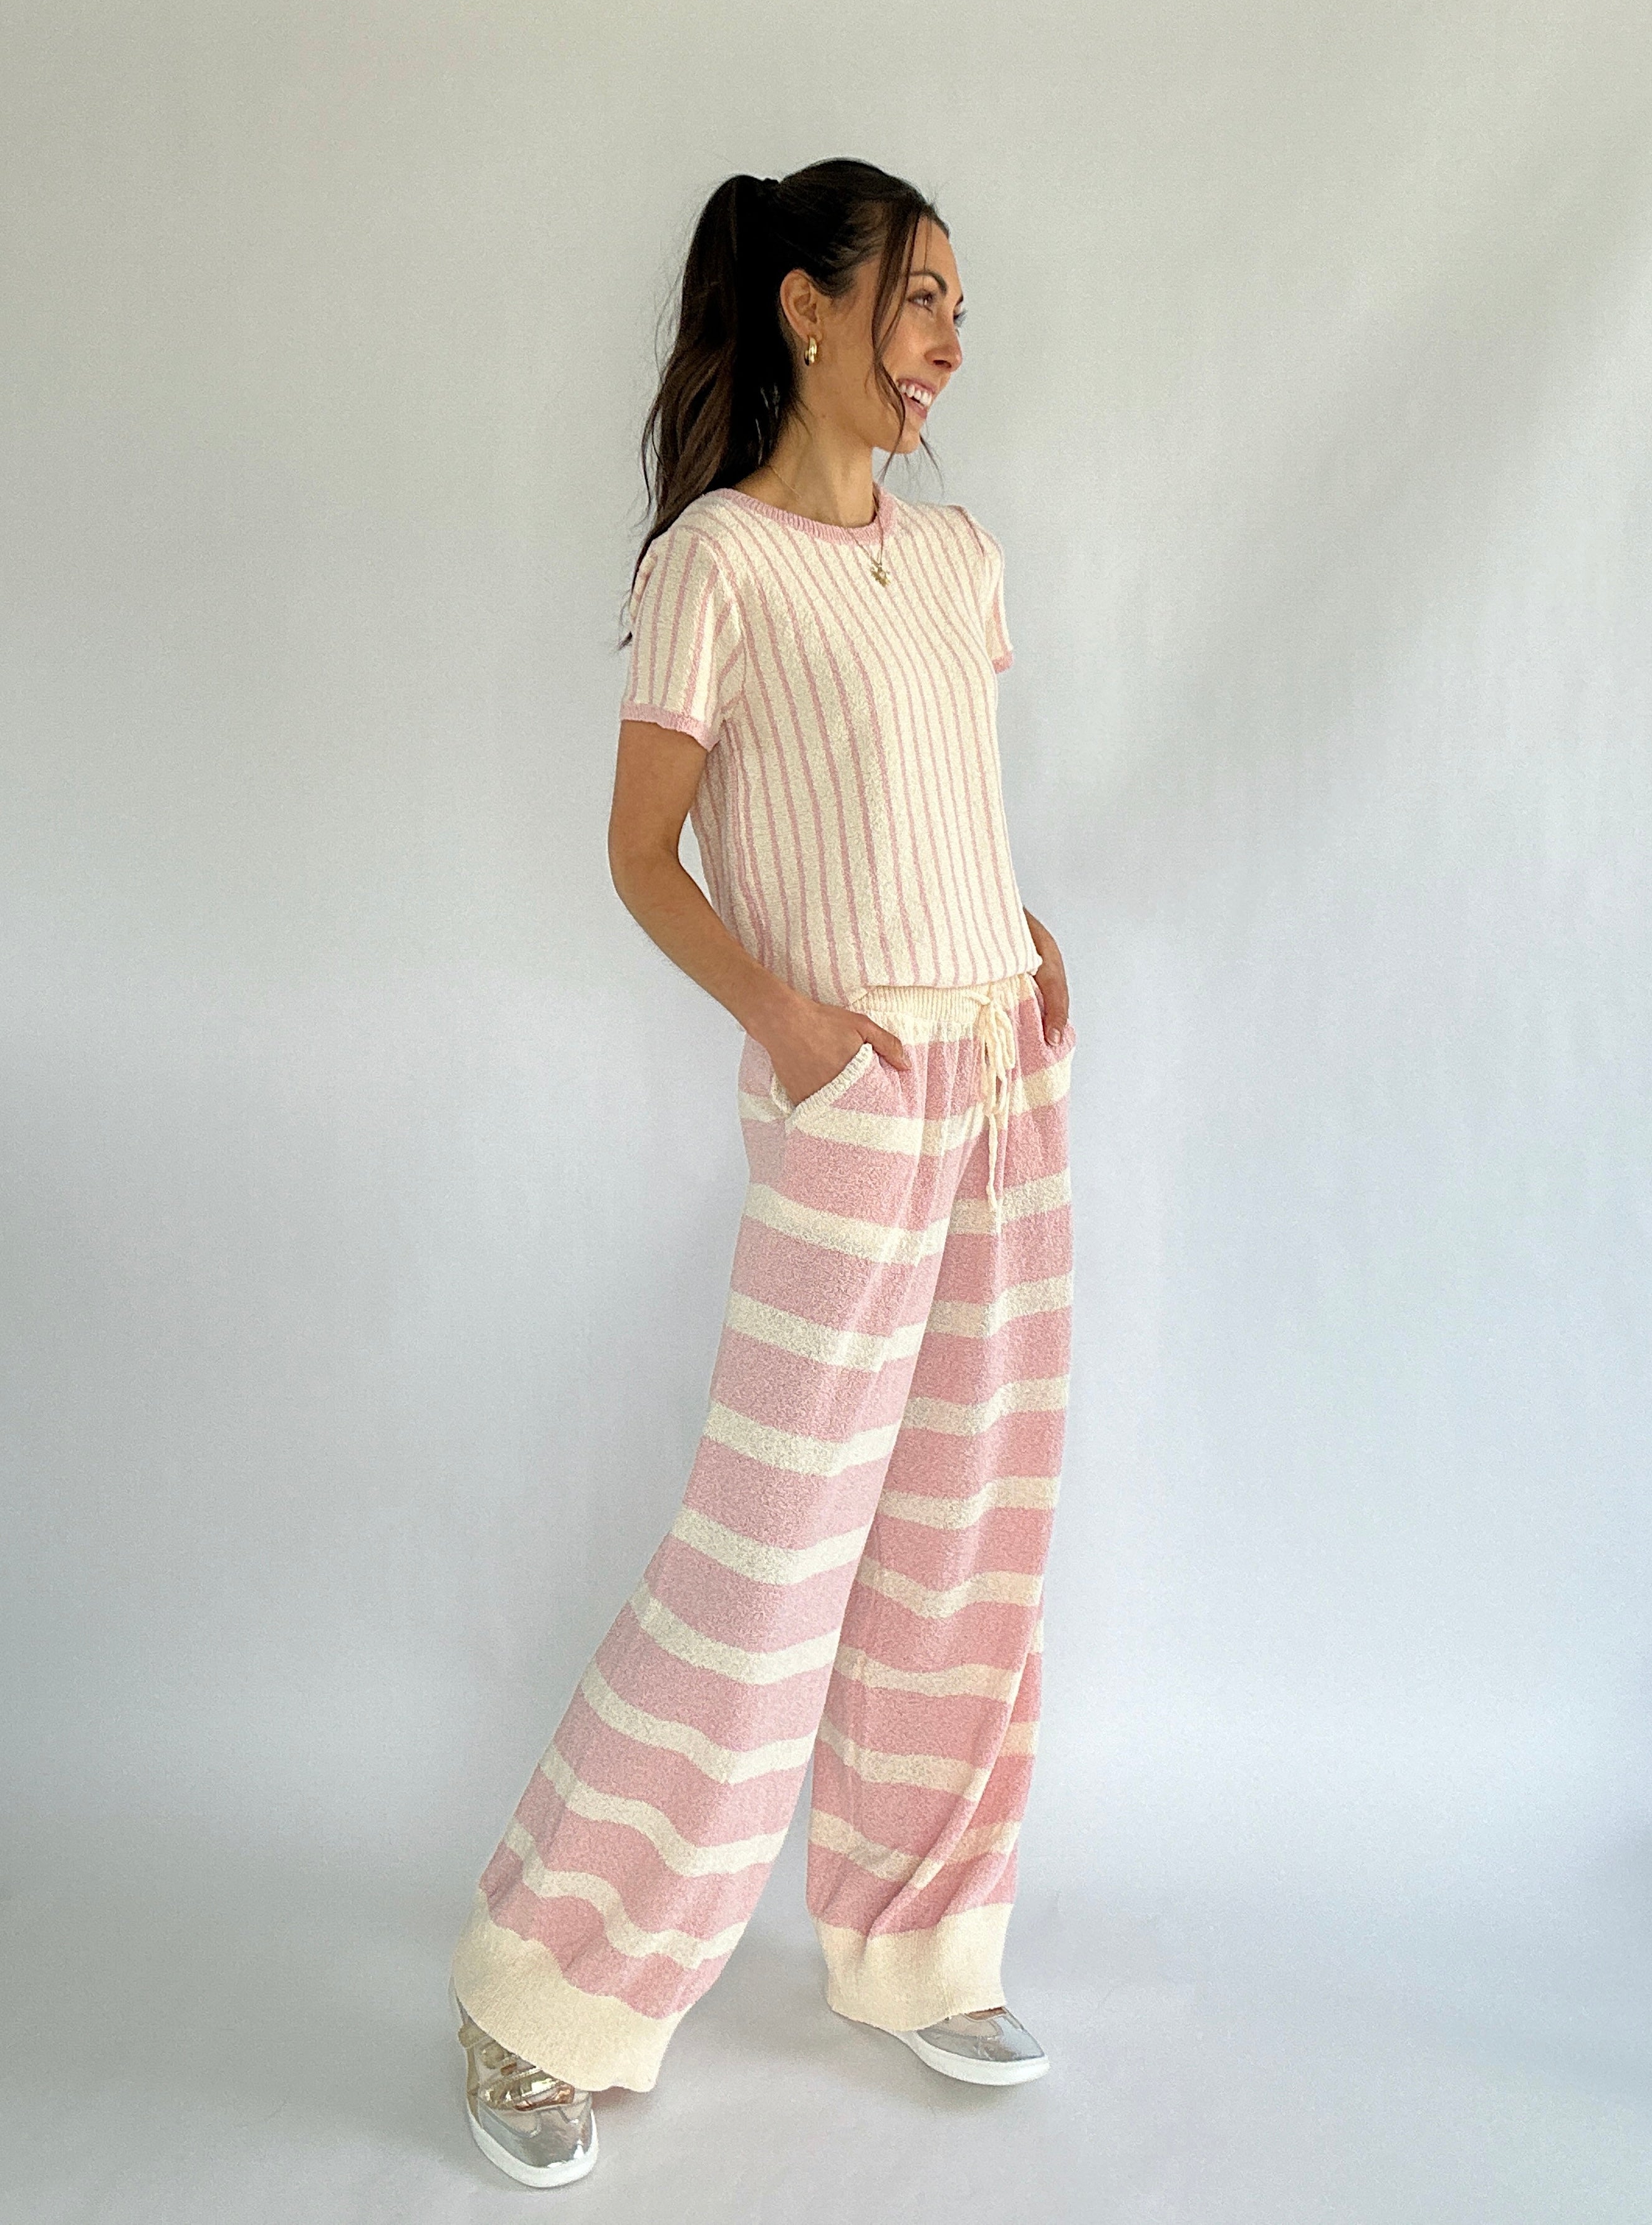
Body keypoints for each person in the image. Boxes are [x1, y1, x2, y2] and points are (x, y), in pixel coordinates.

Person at [448, 156, 1078, 2189]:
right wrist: (788, 1027)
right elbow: (643, 852)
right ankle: (544, 1988)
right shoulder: (714, 561)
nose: (947, 345)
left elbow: (928, 795)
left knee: (963, 1529)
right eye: (918, 301)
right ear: (807, 309)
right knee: (769, 1556)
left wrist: (1020, 931)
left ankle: (913, 1943)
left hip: (1000, 1074)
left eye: (958, 309)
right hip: (854, 1094)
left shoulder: (960, 553)